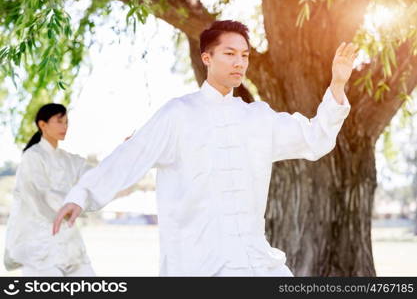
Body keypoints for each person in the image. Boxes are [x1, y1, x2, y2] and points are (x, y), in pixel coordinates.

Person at [53, 20, 356, 276]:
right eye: (230, 53)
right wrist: (82, 194)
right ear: (207, 58)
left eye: (245, 55)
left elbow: (316, 139)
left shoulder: (259, 118)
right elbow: (131, 156)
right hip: (197, 263)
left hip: (254, 262)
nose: (239, 62)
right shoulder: (178, 114)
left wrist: (338, 85)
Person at [4, 103, 95, 277]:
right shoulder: (32, 156)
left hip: (69, 243)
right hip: (39, 245)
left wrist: (124, 150)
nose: (64, 126)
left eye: (67, 122)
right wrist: (72, 205)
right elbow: (40, 194)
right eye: (59, 121)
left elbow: (96, 174)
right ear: (42, 124)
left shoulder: (68, 159)